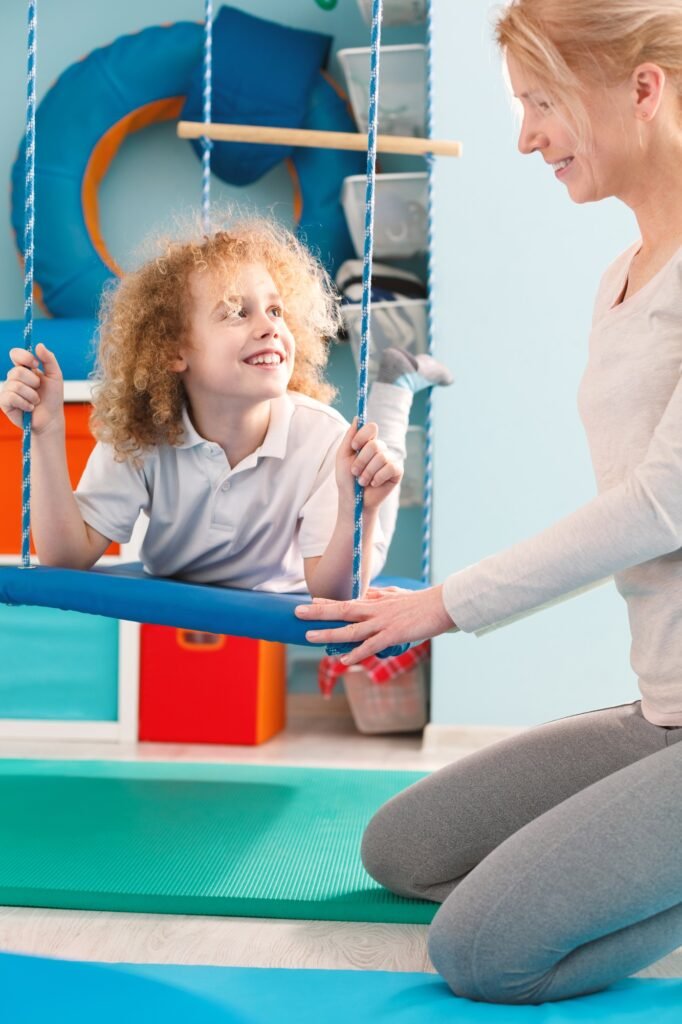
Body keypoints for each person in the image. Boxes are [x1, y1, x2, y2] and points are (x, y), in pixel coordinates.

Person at [295, 0, 682, 1005]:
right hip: (665, 709)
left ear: (643, 89)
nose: (525, 137)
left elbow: (660, 505)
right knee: (404, 848)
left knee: (482, 952)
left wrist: (442, 605)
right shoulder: (622, 279)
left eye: (543, 102)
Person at [0, 218, 450, 598]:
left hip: (309, 567)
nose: (269, 327)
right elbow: (66, 557)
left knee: (374, 470)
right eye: (237, 311)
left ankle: (394, 385)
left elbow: (334, 593)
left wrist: (361, 508)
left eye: (276, 311)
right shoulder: (144, 434)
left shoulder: (322, 439)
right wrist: (46, 432)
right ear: (174, 351)